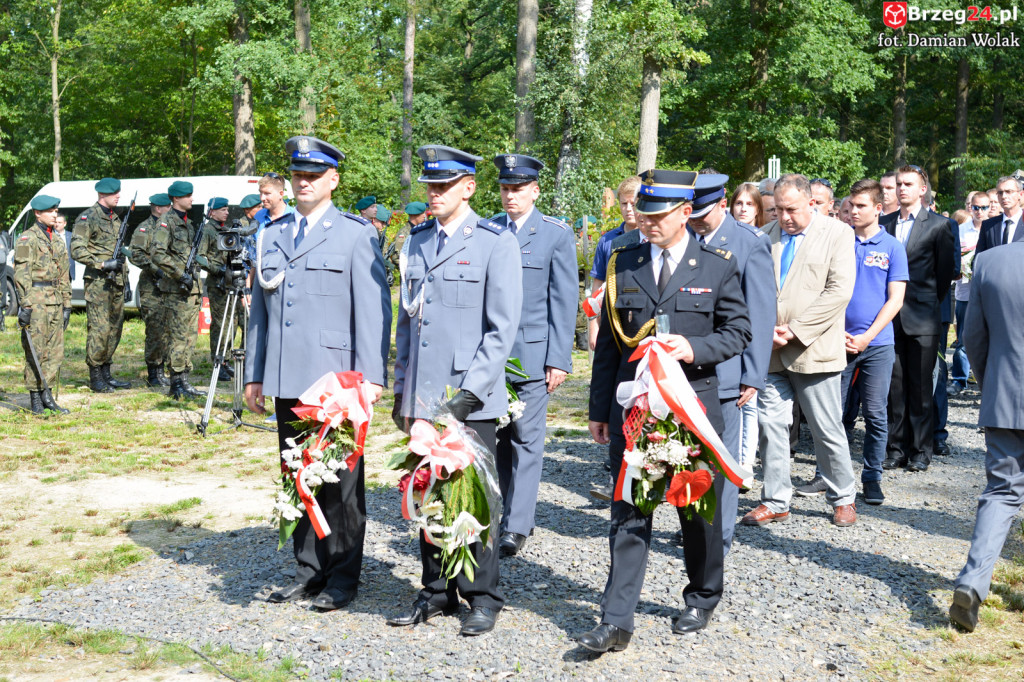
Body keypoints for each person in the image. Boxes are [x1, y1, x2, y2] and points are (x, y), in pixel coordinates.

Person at [579, 168, 750, 653]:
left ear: (684, 212)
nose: (646, 223)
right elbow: (611, 347)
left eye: (656, 216)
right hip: (635, 412)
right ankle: (616, 620)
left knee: (697, 513)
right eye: (643, 215)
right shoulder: (623, 261)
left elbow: (738, 332)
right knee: (629, 511)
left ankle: (702, 594)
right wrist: (599, 409)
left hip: (692, 406)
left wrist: (692, 348)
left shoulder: (717, 265)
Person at [245, 136, 391, 612]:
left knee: (341, 485)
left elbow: (372, 311)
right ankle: (308, 568)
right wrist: (255, 373)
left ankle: (343, 575)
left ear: (333, 180)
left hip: (335, 383)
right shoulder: (271, 233)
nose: (303, 183)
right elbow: (261, 315)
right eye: (297, 175)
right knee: (298, 475)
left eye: (313, 176)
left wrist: (369, 376)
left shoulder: (355, 233)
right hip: (288, 376)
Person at [389, 144, 521, 637]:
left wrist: (464, 397)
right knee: (427, 492)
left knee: (475, 499)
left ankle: (482, 595)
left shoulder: (493, 242)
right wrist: (404, 392)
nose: (434, 193)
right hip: (424, 395)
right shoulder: (418, 240)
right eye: (430, 185)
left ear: (469, 187)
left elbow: (500, 329)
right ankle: (437, 588)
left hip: (469, 399)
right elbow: (408, 323)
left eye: (444, 186)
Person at [740, 173, 858, 528]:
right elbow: (753, 290)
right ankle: (776, 500)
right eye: (778, 210)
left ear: (811, 202)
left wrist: (795, 330)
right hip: (772, 353)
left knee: (825, 427)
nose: (784, 216)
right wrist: (763, 331)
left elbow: (838, 292)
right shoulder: (766, 236)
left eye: (791, 209)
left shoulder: (838, 233)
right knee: (772, 427)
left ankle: (844, 496)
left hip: (814, 350)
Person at [488, 153, 577, 557]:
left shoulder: (555, 234)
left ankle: (517, 524)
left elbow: (563, 300)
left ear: (535, 191)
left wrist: (558, 358)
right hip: (492, 357)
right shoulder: (488, 229)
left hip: (533, 355)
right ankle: (507, 510)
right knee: (499, 439)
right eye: (505, 188)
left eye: (518, 189)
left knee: (527, 438)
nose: (510, 196)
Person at [682, 173, 774, 555]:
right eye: (693, 214)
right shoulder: (683, 236)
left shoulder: (749, 243)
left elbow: (760, 313)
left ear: (722, 204)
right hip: (685, 368)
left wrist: (752, 374)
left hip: (727, 370)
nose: (697, 221)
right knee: (687, 452)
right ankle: (694, 524)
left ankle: (718, 536)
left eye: (703, 214)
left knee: (723, 456)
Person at [807, 180, 907, 505]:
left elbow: (895, 300)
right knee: (832, 413)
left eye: (861, 206)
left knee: (876, 413)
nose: (853, 210)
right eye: (851, 205)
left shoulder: (892, 247)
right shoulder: (839, 240)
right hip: (835, 341)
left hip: (877, 344)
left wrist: (866, 337)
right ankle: (828, 475)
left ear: (878, 208)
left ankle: (872, 477)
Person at [948, 241, 1024, 632]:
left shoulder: (991, 261)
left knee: (1002, 491)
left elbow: (972, 335)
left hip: (1006, 396)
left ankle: (973, 581)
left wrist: (990, 382)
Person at [880, 165, 956, 473]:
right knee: (894, 387)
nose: (901, 189)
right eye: (898, 184)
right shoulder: (883, 223)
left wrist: (925, 304)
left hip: (923, 316)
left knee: (922, 387)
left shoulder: (940, 226)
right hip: (888, 317)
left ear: (922, 189)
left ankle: (921, 450)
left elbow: (943, 275)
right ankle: (895, 447)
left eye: (908, 184)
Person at [70, 177, 130, 393]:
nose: (118, 196)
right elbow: (76, 249)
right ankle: (95, 375)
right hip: (98, 282)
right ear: (103, 194)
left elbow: (121, 253)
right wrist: (102, 263)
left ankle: (106, 372)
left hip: (117, 282)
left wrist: (127, 278)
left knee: (115, 328)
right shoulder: (88, 217)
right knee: (99, 329)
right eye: (115, 193)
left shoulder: (115, 219)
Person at [14, 194, 71, 414]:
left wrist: (66, 304)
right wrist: (25, 305)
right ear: (38, 213)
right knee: (35, 350)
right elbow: (22, 273)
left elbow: (64, 274)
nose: (54, 214)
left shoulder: (57, 239)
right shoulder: (27, 238)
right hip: (37, 301)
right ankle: (35, 398)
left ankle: (47, 395)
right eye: (50, 211)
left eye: (56, 211)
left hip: (55, 301)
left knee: (55, 351)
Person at [150, 181, 204, 400]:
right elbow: (158, 254)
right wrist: (179, 273)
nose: (192, 199)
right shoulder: (166, 223)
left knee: (190, 338)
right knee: (178, 338)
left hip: (191, 290)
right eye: (188, 196)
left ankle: (184, 380)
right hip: (175, 291)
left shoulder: (188, 224)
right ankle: (175, 382)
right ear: (176, 199)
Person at [587, 176, 641, 350]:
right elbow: (597, 285)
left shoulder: (652, 238)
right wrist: (593, 327)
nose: (628, 209)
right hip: (611, 319)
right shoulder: (607, 240)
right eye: (624, 204)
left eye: (633, 204)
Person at [128, 193, 173, 388]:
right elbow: (135, 255)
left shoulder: (169, 226)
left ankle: (163, 369)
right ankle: (153, 372)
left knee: (168, 329)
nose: (170, 209)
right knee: (155, 329)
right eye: (167, 207)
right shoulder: (144, 228)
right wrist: (156, 269)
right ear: (157, 208)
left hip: (169, 285)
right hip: (151, 286)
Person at [948, 192, 986, 395]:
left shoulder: (993, 228)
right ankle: (959, 379)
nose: (980, 212)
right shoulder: (961, 230)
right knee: (963, 338)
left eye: (984, 207)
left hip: (987, 294)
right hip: (964, 291)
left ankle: (983, 380)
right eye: (976, 207)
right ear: (969, 207)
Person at [198, 197, 237, 382]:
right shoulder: (208, 230)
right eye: (223, 209)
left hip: (229, 281)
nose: (227, 212)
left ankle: (226, 360)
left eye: (227, 209)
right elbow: (200, 257)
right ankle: (217, 361)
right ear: (212, 212)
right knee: (220, 324)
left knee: (231, 323)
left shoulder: (225, 230)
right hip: (216, 283)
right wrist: (217, 269)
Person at [975, 175, 1024, 256]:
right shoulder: (988, 225)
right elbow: (979, 258)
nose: (1004, 196)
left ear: (1021, 194)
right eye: (1000, 193)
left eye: (1009, 192)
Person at [386, 201, 427, 274]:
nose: (424, 216)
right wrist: (412, 269)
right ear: (414, 215)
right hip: (409, 275)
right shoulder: (404, 234)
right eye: (422, 213)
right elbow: (397, 258)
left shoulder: (421, 230)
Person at [54, 214, 74, 283]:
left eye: (59, 222)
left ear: (65, 224)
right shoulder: (50, 235)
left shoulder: (71, 236)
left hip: (68, 272)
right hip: (55, 271)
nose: (57, 224)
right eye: (55, 222)